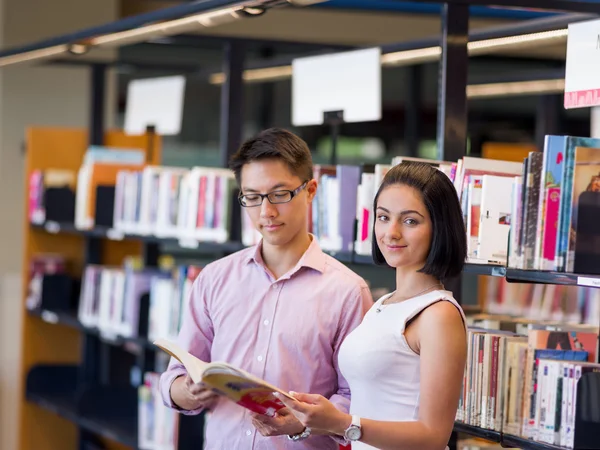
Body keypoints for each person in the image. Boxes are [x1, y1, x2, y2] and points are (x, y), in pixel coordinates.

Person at [158, 128, 373, 449]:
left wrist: (304, 421)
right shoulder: (214, 279)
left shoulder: (348, 291)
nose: (266, 212)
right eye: (253, 197)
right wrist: (188, 392)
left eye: (280, 194)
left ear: (311, 190)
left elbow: (357, 399)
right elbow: (176, 374)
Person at [275, 161, 468, 450]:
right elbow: (372, 409)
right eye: (383, 217)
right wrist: (309, 420)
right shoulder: (383, 304)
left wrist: (342, 423)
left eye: (410, 220)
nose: (391, 232)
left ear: (439, 228)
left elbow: (433, 436)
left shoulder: (439, 314)